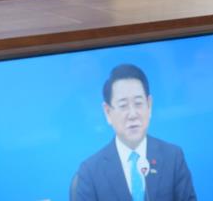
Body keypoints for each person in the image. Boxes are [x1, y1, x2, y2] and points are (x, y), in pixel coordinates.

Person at [71, 64, 196, 201]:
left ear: (149, 105)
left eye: (138, 103)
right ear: (108, 112)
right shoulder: (90, 172)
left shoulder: (172, 158)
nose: (132, 114)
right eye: (123, 106)